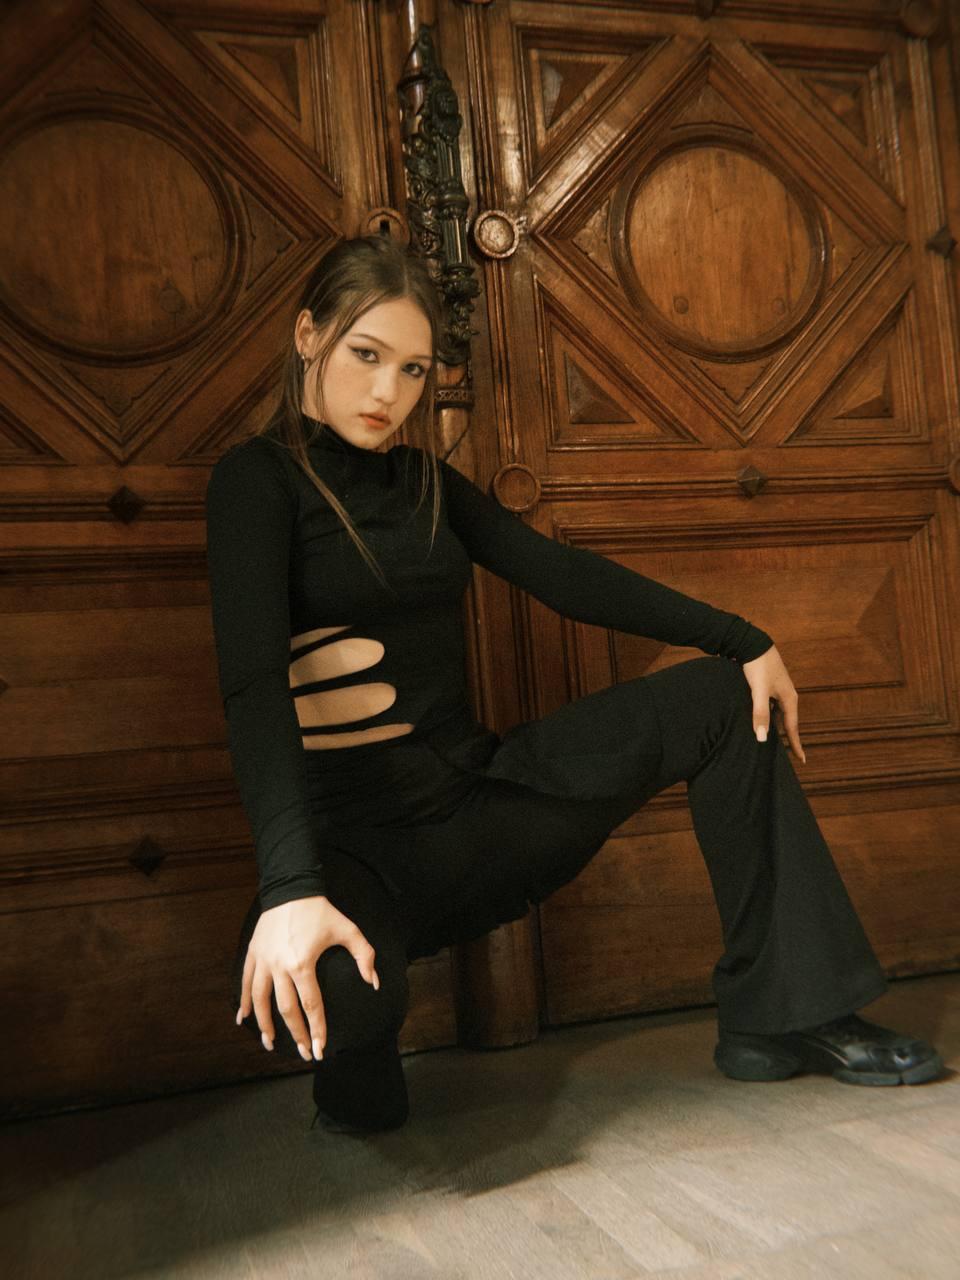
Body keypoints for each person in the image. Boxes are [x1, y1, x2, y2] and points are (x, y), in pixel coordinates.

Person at [204, 234, 943, 1134]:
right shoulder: (256, 483)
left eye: (412, 370)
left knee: (723, 701)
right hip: (353, 856)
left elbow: (560, 575)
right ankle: (357, 1068)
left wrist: (743, 639)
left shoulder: (426, 483)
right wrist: (290, 889)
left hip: (479, 815)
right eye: (366, 355)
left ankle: (784, 1017)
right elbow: (252, 690)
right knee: (327, 1001)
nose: (387, 392)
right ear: (307, 336)